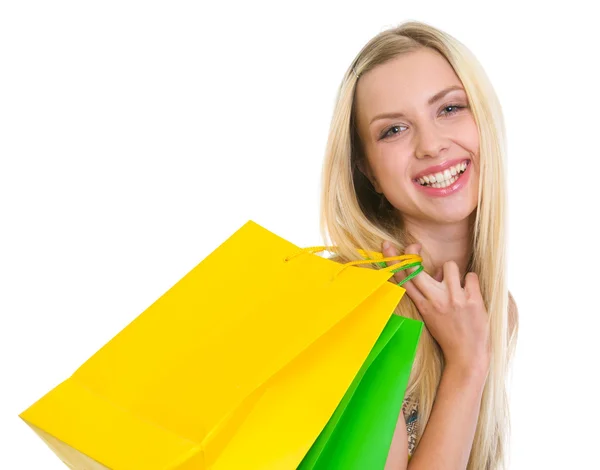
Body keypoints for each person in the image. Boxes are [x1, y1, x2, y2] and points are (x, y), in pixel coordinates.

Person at [318, 20, 519, 470]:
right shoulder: (362, 308)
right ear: (365, 169)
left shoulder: (493, 310)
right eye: (393, 130)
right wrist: (467, 366)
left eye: (449, 109)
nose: (431, 145)